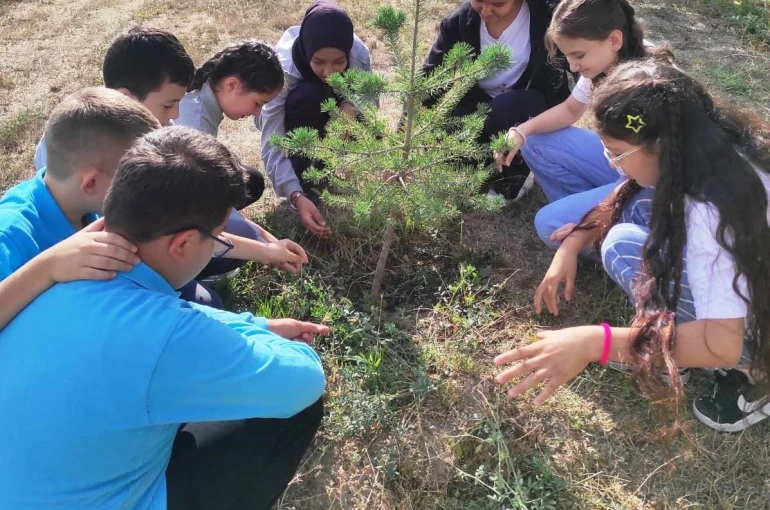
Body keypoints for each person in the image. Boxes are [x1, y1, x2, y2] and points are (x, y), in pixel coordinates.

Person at [0, 125, 328, 510]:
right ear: (184, 243)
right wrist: (262, 338)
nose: (218, 247)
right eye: (219, 239)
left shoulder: (52, 276)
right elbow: (304, 379)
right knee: (298, 410)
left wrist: (254, 326)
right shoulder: (164, 336)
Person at [495, 59, 770, 433]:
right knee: (635, 216)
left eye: (617, 153)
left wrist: (598, 342)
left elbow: (718, 342)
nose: (614, 166)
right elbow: (634, 194)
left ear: (658, 146)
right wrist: (576, 239)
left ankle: (755, 368)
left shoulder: (712, 210)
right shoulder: (715, 147)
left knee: (624, 246)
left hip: (750, 326)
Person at [494, 0, 667, 239]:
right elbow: (570, 110)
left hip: (655, 183)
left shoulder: (650, 80)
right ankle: (588, 213)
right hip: (624, 166)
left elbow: (657, 169)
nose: (573, 67)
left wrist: (598, 215)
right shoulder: (603, 61)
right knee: (533, 140)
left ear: (614, 40)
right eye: (568, 57)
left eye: (578, 55)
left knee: (549, 225)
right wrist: (522, 131)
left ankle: (621, 234)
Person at [0, 88, 160, 332]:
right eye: (135, 180)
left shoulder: (86, 206)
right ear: (91, 183)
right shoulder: (10, 232)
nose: (144, 191)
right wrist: (48, 267)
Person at [178, 39, 308, 290]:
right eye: (258, 103)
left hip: (188, 192)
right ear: (232, 85)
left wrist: (270, 240)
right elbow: (208, 205)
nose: (258, 113)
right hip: (174, 213)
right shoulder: (193, 122)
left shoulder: (203, 99)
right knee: (244, 238)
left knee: (249, 181)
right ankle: (198, 271)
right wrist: (265, 247)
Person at [422, 0, 571, 200]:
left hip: (527, 109)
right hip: (479, 108)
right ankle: (490, 164)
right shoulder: (458, 23)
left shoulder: (548, 19)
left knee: (506, 107)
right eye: (479, 1)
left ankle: (518, 172)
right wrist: (403, 144)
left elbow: (571, 81)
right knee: (440, 134)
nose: (486, 11)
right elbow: (428, 83)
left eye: (497, 4)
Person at [258, 0, 372, 238]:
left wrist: (350, 107)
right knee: (308, 97)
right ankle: (307, 179)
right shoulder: (284, 68)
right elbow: (272, 137)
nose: (329, 72)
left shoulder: (359, 55)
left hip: (341, 105)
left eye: (339, 62)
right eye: (319, 62)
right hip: (299, 111)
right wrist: (294, 193)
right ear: (308, 51)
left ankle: (338, 165)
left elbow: (370, 99)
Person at [34, 26, 195, 170]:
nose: (175, 115)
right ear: (124, 98)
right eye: (168, 105)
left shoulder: (161, 130)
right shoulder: (67, 147)